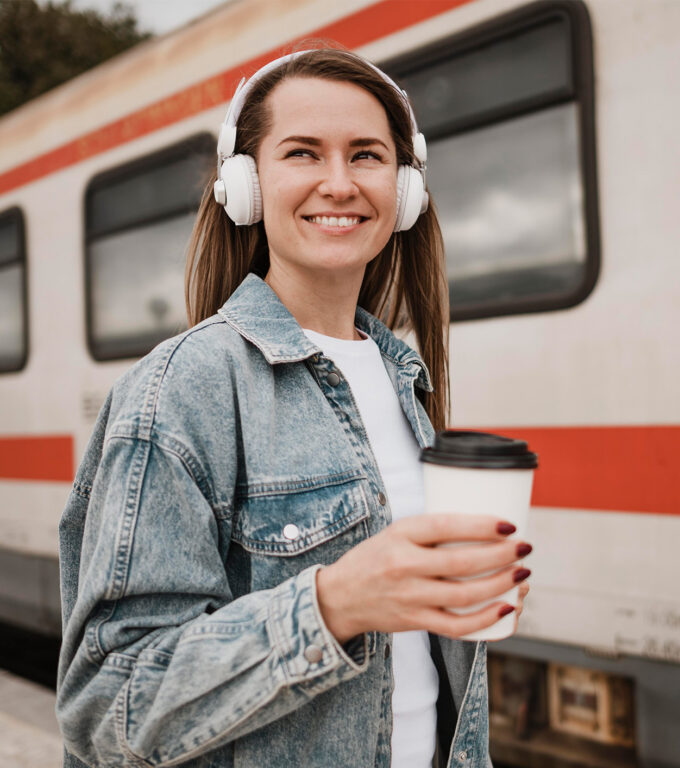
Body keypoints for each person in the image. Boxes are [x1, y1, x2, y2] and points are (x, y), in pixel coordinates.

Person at [56, 47, 531, 768]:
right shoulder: (184, 388)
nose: (339, 184)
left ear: (402, 190)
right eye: (303, 153)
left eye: (366, 155)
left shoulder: (402, 378)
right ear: (246, 185)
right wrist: (336, 604)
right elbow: (107, 706)